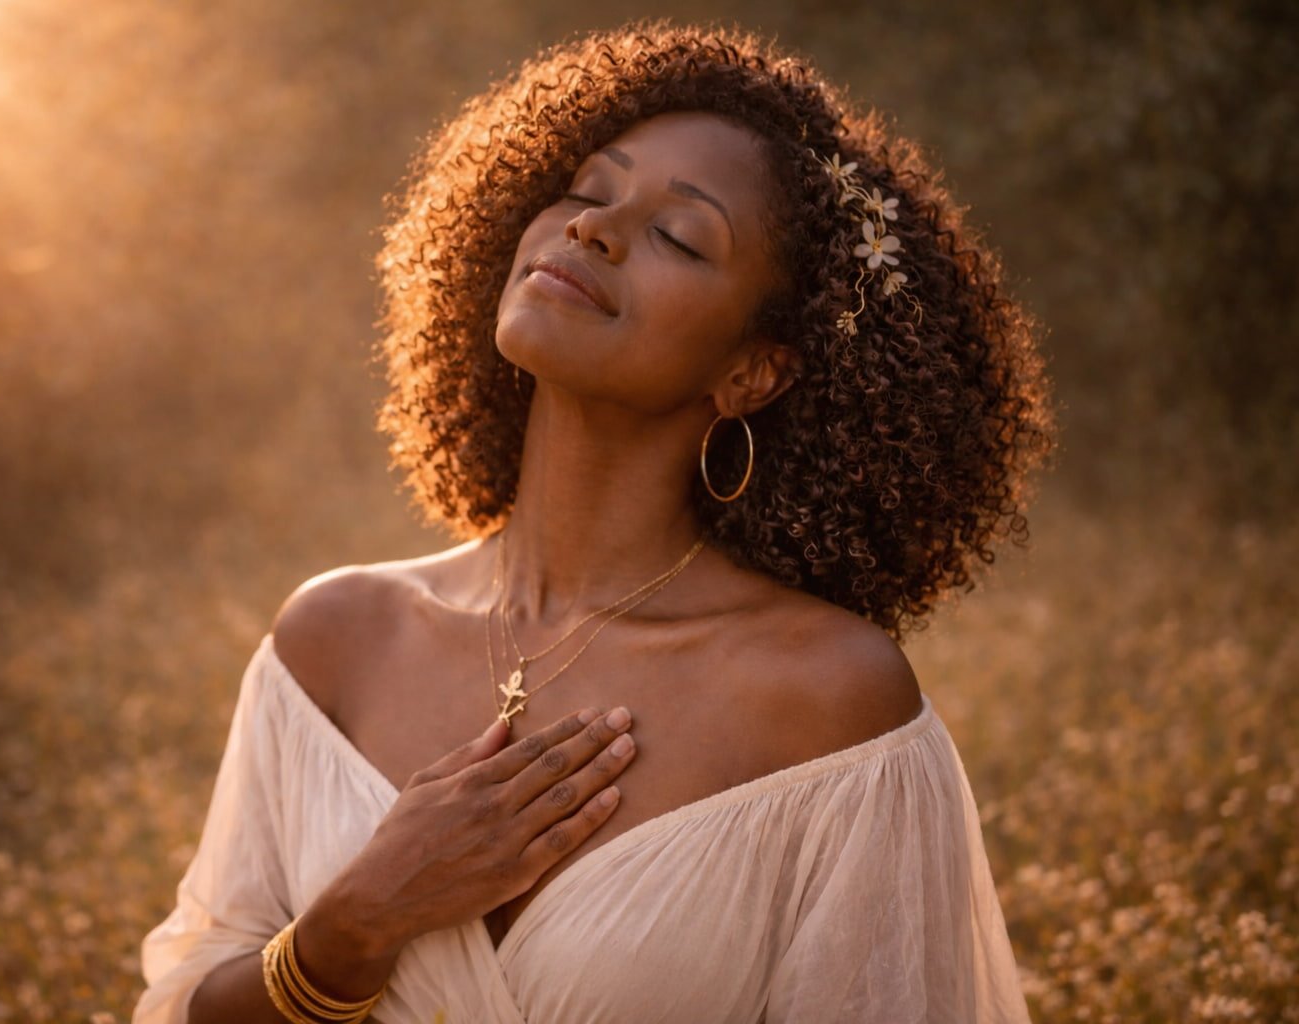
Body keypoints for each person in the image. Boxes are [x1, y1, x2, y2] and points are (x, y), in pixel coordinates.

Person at [133, 23, 1053, 1024]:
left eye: (679, 235)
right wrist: (353, 923)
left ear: (755, 370)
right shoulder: (336, 638)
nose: (594, 228)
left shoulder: (829, 706)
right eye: (584, 188)